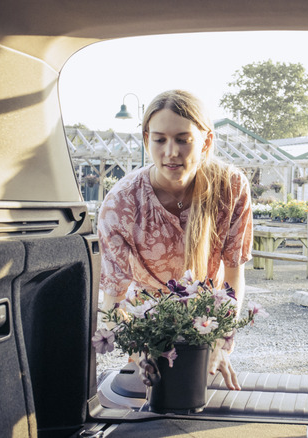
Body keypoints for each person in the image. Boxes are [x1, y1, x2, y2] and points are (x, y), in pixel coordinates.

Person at [97, 90, 253, 390]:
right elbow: (113, 299)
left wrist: (220, 344)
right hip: (146, 324)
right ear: (147, 140)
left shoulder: (231, 187)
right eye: (160, 140)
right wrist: (139, 353)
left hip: (206, 323)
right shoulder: (122, 202)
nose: (171, 152)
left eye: (183, 139)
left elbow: (233, 276)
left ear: (206, 141)